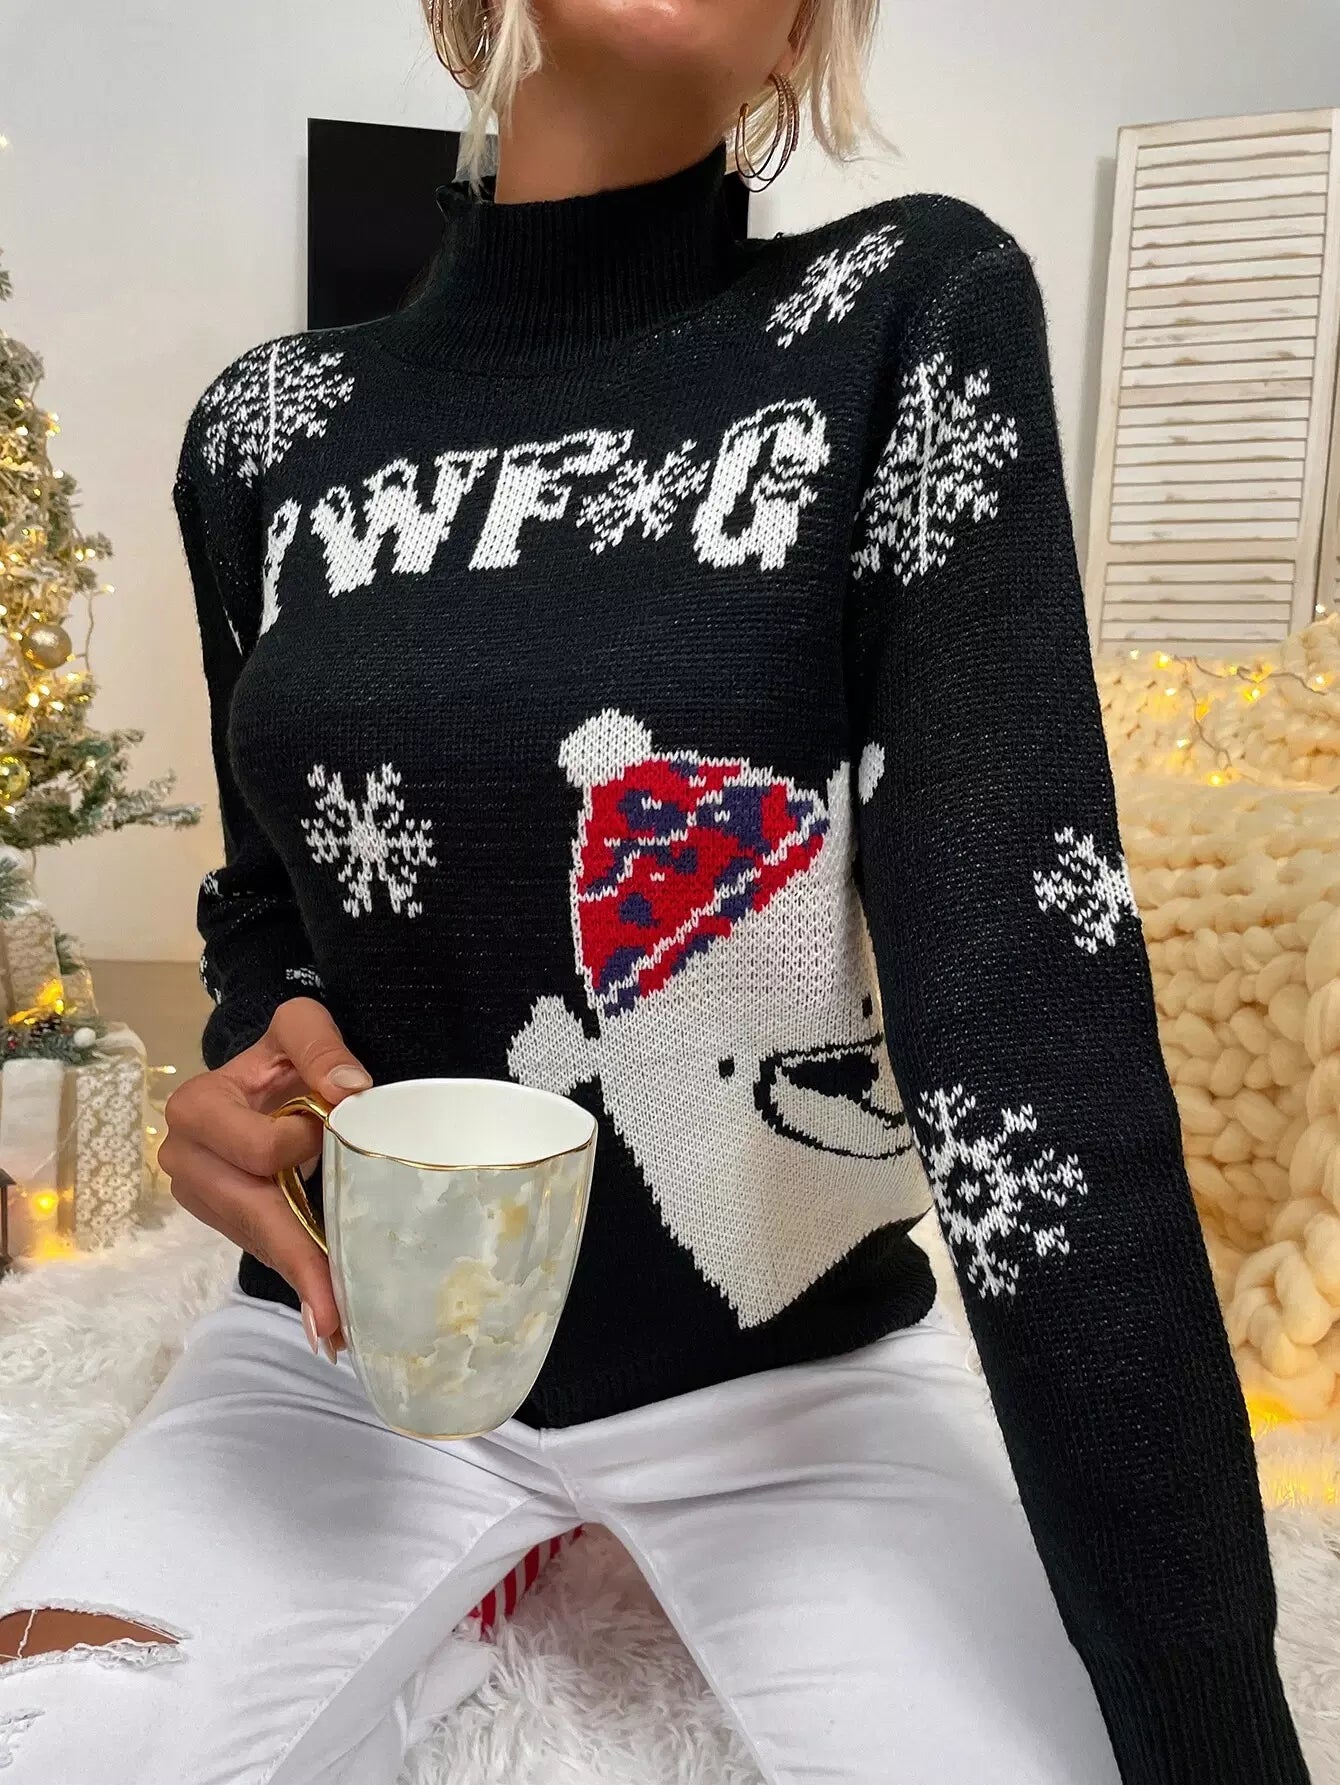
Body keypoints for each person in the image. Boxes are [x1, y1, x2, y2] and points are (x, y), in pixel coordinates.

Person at [0, 3, 1311, 1781]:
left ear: (801, 38)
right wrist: (249, 1055)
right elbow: (266, 897)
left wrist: (1214, 1721)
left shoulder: (901, 319)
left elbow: (1031, 1023)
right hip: (348, 1361)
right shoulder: (266, 429)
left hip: (793, 1380)